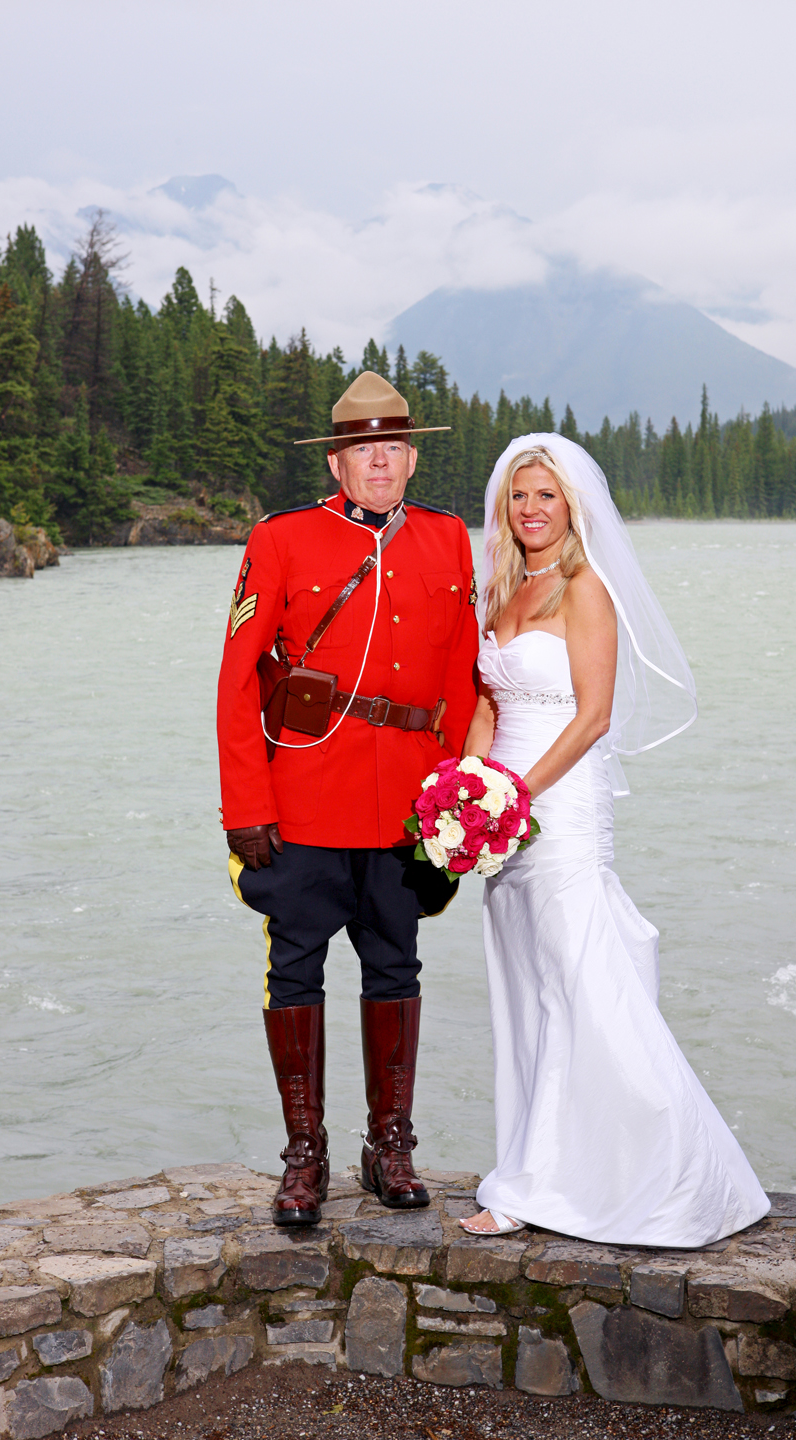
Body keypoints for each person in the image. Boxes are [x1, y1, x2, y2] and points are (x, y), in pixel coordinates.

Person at [459, 434, 770, 1244]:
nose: (530, 509)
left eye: (545, 496)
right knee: (526, 989)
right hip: (499, 813)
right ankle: (538, 1170)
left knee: (580, 982)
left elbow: (593, 717)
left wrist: (517, 794)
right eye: (519, 496)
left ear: (573, 507)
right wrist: (465, 788)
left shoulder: (584, 589)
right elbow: (487, 703)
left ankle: (657, 1175)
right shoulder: (498, 590)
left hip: (557, 805)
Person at [216, 370, 480, 1227]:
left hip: (405, 803)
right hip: (303, 795)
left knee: (395, 966)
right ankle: (304, 1157)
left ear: (410, 460)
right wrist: (245, 806)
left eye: (394, 449)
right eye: (365, 451)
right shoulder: (281, 539)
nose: (381, 464)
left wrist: (450, 804)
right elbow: (235, 682)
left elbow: (460, 682)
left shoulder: (448, 541)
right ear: (338, 463)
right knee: (294, 967)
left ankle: (388, 1145)